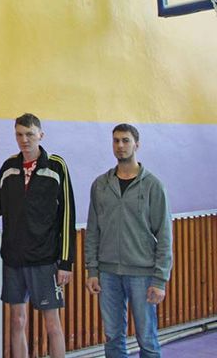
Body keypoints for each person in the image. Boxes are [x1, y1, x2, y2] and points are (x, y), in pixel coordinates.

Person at [0, 113, 75, 358]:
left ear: (40, 135)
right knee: (17, 321)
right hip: (14, 259)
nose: (24, 139)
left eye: (29, 134)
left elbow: (67, 215)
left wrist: (66, 262)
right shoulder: (9, 167)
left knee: (52, 324)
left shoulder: (56, 166)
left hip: (45, 260)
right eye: (19, 134)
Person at [85, 124, 172, 358]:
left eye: (125, 140)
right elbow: (93, 231)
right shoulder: (100, 185)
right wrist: (92, 270)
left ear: (137, 145)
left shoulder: (153, 185)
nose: (120, 145)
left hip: (142, 274)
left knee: (147, 338)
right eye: (116, 141)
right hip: (108, 274)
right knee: (112, 337)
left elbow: (164, 235)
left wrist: (160, 279)